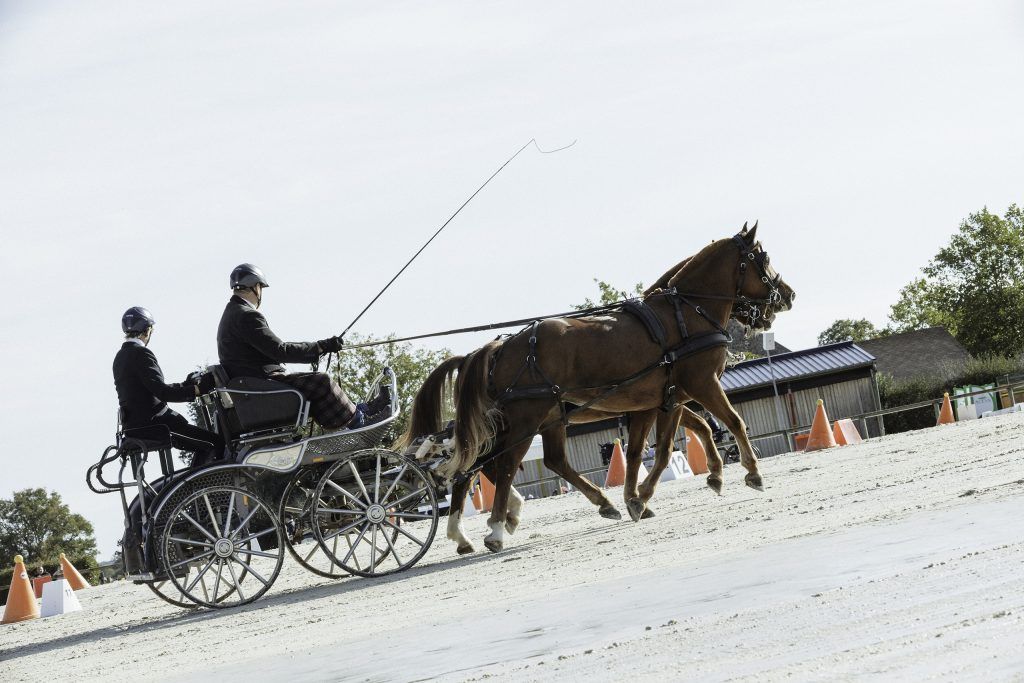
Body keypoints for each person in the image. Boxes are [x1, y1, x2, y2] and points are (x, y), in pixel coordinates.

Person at [216, 264, 388, 431]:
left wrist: (318, 348)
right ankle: (360, 422)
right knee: (322, 381)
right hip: (263, 385)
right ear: (255, 287)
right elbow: (280, 351)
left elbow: (273, 350)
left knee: (312, 385)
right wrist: (320, 346)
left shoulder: (232, 313)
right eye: (260, 287)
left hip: (255, 384)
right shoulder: (247, 316)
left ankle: (360, 411)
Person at [113, 306, 224, 467]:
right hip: (156, 425)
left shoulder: (121, 356)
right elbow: (163, 393)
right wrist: (198, 389)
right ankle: (201, 488)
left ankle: (196, 485)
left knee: (203, 445)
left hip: (135, 425)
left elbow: (152, 389)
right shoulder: (142, 354)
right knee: (215, 443)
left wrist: (185, 385)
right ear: (147, 330)